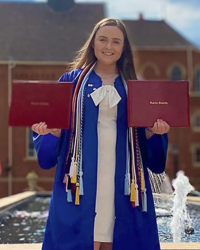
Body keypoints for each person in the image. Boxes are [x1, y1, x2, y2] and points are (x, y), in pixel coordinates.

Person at [32, 18, 170, 250]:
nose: (109, 46)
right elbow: (49, 146)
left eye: (116, 41)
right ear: (93, 43)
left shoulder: (136, 87)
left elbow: (152, 155)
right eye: (103, 39)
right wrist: (51, 132)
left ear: (123, 47)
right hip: (81, 180)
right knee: (84, 235)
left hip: (123, 178)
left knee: (116, 235)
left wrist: (154, 133)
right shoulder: (71, 83)